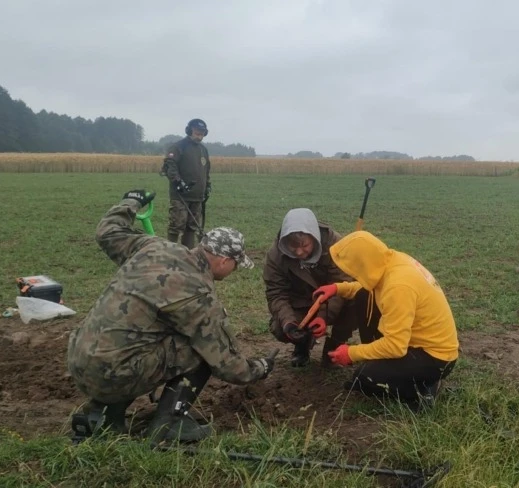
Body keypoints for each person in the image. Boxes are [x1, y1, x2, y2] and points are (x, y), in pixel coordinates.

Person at [67, 189, 277, 444]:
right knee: (200, 350)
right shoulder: (199, 294)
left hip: (79, 358)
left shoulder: (153, 246)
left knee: (140, 339)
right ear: (223, 261)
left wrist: (131, 201)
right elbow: (229, 367)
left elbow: (107, 231)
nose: (234, 270)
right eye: (236, 264)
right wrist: (260, 368)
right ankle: (169, 425)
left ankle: (101, 415)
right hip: (114, 374)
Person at [313, 231, 459, 411]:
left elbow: (395, 346)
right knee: (363, 295)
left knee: (365, 379)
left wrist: (352, 353)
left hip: (434, 358)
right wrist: (337, 288)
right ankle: (395, 371)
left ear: (363, 264)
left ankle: (423, 390)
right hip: (420, 346)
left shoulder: (398, 287)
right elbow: (370, 285)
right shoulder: (392, 261)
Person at [263, 208, 375, 367]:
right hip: (301, 302)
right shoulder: (276, 255)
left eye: (304, 245)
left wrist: (323, 316)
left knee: (358, 300)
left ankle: (333, 348)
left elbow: (342, 284)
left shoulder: (336, 245)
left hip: (333, 299)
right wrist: (289, 322)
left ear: (314, 237)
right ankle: (302, 345)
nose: (299, 252)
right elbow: (276, 293)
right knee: (280, 327)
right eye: (293, 247)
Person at [160, 118, 211, 249]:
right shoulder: (178, 147)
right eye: (197, 132)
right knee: (176, 225)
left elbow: (206, 170)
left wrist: (207, 186)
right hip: (180, 195)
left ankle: (188, 254)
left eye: (202, 133)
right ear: (189, 131)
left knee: (192, 227)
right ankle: (170, 253)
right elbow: (170, 164)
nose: (199, 136)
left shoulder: (203, 150)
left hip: (197, 196)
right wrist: (178, 181)